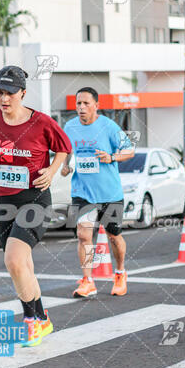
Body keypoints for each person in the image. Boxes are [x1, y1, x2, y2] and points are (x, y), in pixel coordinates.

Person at [0, 65, 71, 347]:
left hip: (34, 200)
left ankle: (31, 321)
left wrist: (53, 169)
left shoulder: (42, 122)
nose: (4, 98)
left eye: (10, 93)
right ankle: (42, 319)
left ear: (22, 93)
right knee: (22, 267)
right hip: (2, 203)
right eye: (0, 93)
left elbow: (63, 147)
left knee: (13, 260)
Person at [61, 87, 135, 298]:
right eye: (78, 103)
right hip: (82, 191)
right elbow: (67, 150)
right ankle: (88, 281)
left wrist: (111, 157)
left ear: (96, 105)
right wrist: (65, 166)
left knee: (114, 236)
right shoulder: (70, 126)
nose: (81, 107)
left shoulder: (108, 126)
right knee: (83, 234)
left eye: (85, 103)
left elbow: (129, 150)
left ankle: (120, 272)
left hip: (109, 193)